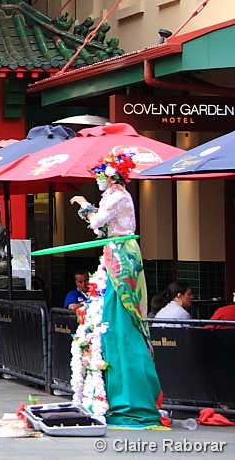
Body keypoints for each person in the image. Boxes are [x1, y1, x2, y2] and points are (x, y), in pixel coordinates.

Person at [68, 151, 161, 427]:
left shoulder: (119, 196)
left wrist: (85, 205)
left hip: (123, 252)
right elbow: (99, 229)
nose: (97, 182)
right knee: (108, 310)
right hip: (112, 250)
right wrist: (90, 209)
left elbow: (97, 223)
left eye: (99, 177)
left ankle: (130, 389)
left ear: (110, 177)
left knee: (121, 312)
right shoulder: (111, 196)